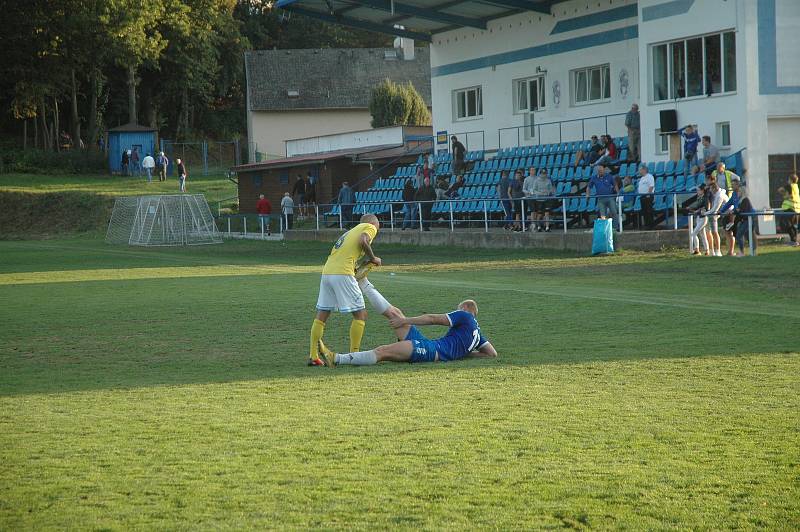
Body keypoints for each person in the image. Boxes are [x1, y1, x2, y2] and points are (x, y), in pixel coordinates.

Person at [329, 298, 497, 366]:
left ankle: (336, 359)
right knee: (395, 313)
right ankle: (364, 283)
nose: (455, 311)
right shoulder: (478, 333)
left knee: (383, 351)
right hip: (431, 346)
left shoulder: (464, 316)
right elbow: (491, 354)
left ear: (465, 309)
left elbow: (432, 319)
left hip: (432, 351)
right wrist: (465, 353)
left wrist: (405, 321)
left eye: (457, 309)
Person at [308, 214, 382, 367]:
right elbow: (363, 240)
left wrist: (363, 264)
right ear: (373, 223)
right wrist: (373, 258)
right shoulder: (370, 227)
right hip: (342, 273)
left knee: (322, 314)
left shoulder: (349, 233)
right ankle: (354, 355)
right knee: (360, 314)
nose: (377, 228)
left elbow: (347, 254)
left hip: (327, 273)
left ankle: (313, 356)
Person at [587, 164, 619, 228]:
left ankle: (616, 227)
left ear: (604, 170)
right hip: (601, 199)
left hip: (610, 197)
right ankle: (605, 229)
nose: (600, 172)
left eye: (601, 170)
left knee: (614, 212)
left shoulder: (609, 176)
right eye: (599, 171)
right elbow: (588, 187)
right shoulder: (594, 177)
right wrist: (587, 194)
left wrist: (618, 193)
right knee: (603, 215)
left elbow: (615, 184)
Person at [706, 178, 730, 257]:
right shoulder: (716, 194)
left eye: (710, 189)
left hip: (729, 214)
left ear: (714, 188)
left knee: (725, 233)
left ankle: (719, 251)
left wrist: (705, 213)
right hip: (721, 214)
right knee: (714, 232)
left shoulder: (719, 195)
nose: (710, 191)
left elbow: (715, 209)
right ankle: (714, 250)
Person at [719, 176, 742, 256]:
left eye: (733, 185)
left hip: (741, 217)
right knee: (729, 232)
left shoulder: (742, 193)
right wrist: (721, 211)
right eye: (731, 185)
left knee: (740, 234)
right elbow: (729, 203)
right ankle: (731, 251)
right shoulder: (734, 194)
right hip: (734, 216)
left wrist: (734, 211)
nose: (732, 187)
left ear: (738, 185)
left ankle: (744, 252)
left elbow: (741, 205)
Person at [733, 186, 757, 256]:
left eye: (739, 191)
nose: (738, 193)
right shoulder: (741, 200)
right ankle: (752, 252)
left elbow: (743, 211)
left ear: (743, 192)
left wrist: (737, 211)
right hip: (745, 220)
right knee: (747, 236)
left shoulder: (745, 200)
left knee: (739, 235)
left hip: (747, 221)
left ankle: (742, 252)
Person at [686, 184, 710, 255]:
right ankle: (707, 250)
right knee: (703, 234)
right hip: (699, 217)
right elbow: (696, 205)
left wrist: (697, 210)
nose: (697, 191)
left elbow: (706, 208)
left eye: (698, 190)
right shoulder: (700, 198)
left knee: (694, 233)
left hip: (703, 218)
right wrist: (691, 208)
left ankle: (697, 250)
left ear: (702, 191)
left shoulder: (705, 198)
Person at [637, 164, 655, 229]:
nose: (639, 171)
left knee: (649, 211)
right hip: (642, 196)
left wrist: (648, 194)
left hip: (648, 196)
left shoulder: (649, 176)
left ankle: (651, 225)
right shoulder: (642, 178)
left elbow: (651, 186)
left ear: (644, 170)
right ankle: (647, 224)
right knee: (644, 211)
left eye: (640, 170)